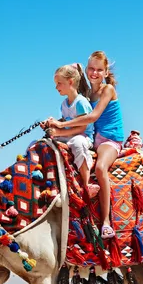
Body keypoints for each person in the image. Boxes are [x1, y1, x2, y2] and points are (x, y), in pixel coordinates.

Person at [46, 51, 124, 239]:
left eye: (99, 70)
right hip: (93, 137)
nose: (94, 73)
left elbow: (93, 117)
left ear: (106, 72)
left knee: (100, 168)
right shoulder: (88, 93)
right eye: (91, 69)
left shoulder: (108, 90)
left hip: (109, 139)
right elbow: (76, 116)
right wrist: (53, 123)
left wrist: (62, 125)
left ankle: (106, 222)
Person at [42, 64, 98, 196]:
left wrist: (60, 130)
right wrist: (51, 124)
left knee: (78, 144)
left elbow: (82, 126)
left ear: (70, 82)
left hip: (83, 136)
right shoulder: (64, 104)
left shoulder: (81, 102)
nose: (57, 87)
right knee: (45, 141)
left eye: (59, 83)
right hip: (68, 135)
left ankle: (87, 183)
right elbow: (65, 121)